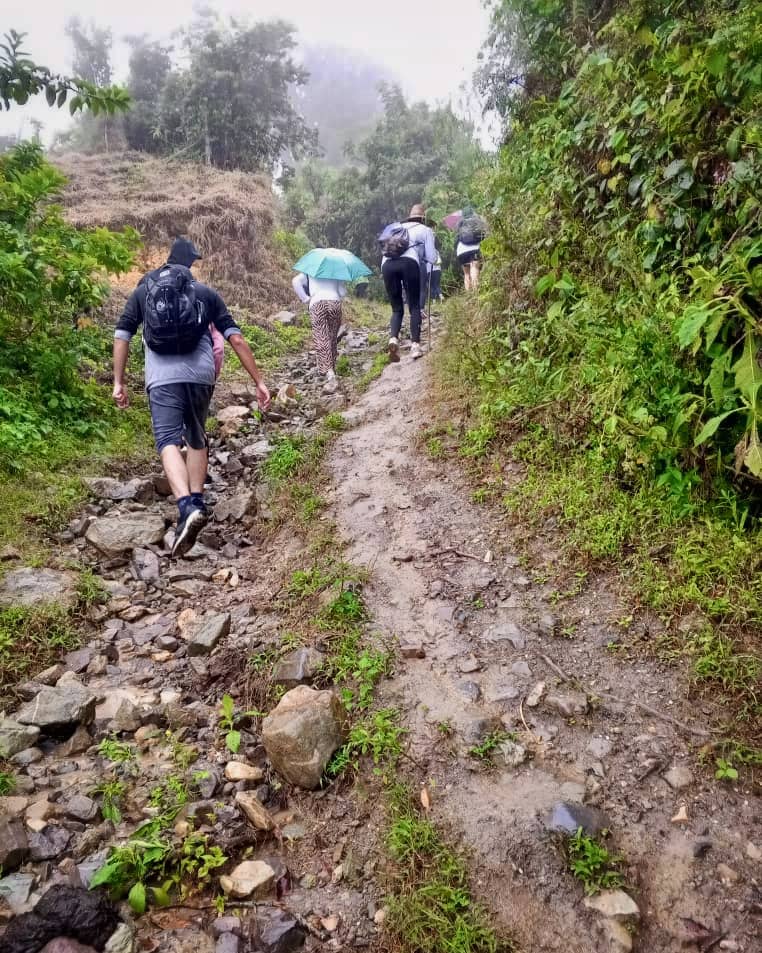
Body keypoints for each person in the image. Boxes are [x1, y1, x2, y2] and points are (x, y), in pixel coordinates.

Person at [112, 237, 271, 558]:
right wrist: (259, 381)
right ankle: (197, 500)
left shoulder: (144, 291)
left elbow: (122, 334)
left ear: (167, 260)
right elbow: (236, 339)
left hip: (162, 378)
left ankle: (186, 505)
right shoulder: (205, 293)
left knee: (167, 439)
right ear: (189, 265)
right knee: (197, 435)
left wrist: (119, 381)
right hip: (200, 375)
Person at [382, 204, 435, 362]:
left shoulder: (396, 228)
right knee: (414, 306)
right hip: (409, 263)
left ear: (410, 217)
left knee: (396, 308)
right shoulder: (425, 230)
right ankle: (415, 346)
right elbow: (432, 257)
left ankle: (393, 339)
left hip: (387, 265)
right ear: (423, 218)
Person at [291, 271, 347, 385]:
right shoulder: (336, 271)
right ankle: (331, 367)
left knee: (321, 336)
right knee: (332, 337)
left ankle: (327, 370)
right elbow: (342, 292)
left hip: (317, 303)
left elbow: (295, 281)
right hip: (334, 303)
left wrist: (305, 298)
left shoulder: (310, 270)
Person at [456, 206, 486, 292]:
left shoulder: (460, 223)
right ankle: (476, 292)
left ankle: (468, 293)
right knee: (474, 267)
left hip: (461, 250)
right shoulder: (478, 220)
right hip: (474, 249)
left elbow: (457, 237)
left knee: (466, 273)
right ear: (472, 212)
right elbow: (484, 232)